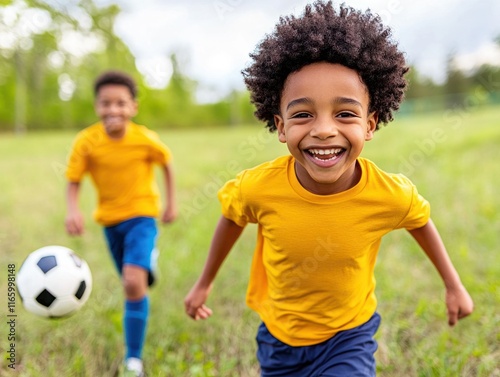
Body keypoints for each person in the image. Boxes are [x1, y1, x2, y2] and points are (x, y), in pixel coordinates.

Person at [184, 2, 473, 376]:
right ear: (281, 126)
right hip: (279, 338)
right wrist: (204, 283)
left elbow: (420, 220)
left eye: (345, 113)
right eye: (303, 114)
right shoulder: (258, 187)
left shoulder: (388, 194)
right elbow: (231, 217)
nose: (323, 129)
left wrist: (453, 285)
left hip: (348, 334)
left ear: (370, 124)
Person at [65, 70, 177, 377]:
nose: (113, 109)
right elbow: (73, 179)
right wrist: (73, 210)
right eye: (106, 103)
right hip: (110, 222)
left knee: (131, 283)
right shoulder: (86, 141)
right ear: (96, 106)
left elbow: (166, 163)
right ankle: (147, 263)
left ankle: (133, 361)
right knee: (130, 280)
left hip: (142, 216)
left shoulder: (144, 139)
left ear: (133, 107)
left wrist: (171, 203)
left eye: (120, 103)